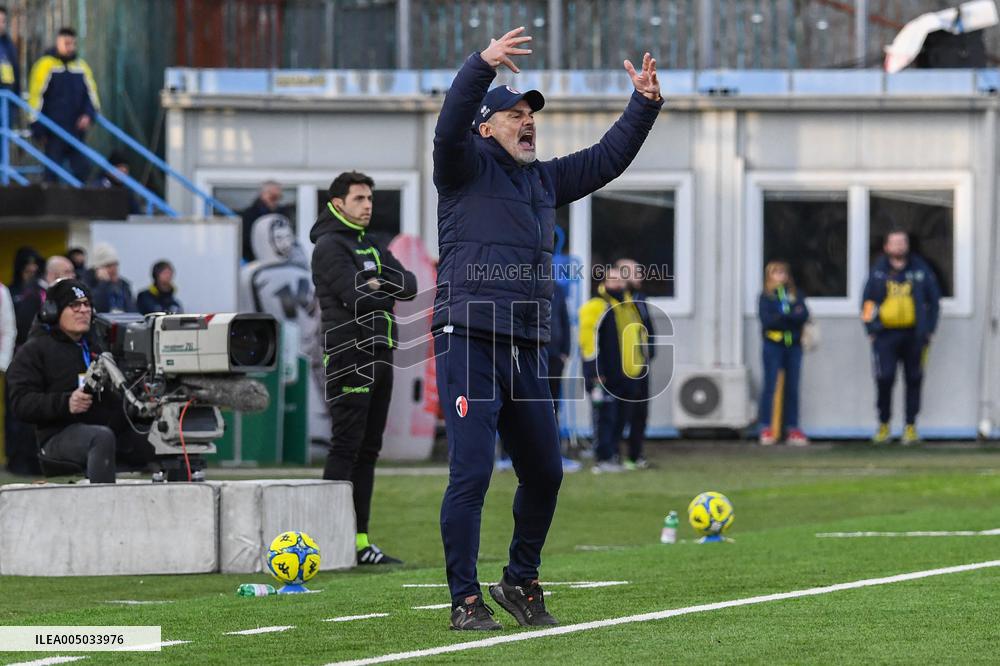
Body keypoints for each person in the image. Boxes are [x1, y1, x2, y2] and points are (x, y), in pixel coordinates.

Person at [432, 26, 662, 630]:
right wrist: (480, 65)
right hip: (469, 336)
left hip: (526, 344)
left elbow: (606, 159)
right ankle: (463, 600)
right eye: (513, 113)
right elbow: (448, 121)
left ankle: (519, 581)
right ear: (485, 126)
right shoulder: (459, 167)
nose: (527, 119)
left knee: (546, 471)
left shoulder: (543, 180)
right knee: (473, 472)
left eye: (531, 112)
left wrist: (644, 105)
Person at [310, 170, 417, 566]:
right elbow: (356, 297)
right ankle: (327, 541)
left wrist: (378, 283)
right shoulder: (328, 247)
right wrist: (375, 286)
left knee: (369, 451)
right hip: (348, 355)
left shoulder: (370, 244)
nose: (368, 205)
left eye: (370, 198)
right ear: (338, 204)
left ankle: (359, 541)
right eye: (359, 198)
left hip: (381, 351)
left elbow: (409, 284)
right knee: (346, 447)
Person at [6, 279, 152, 483]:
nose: (83, 310)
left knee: (159, 435)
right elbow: (20, 403)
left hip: (104, 428)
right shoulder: (34, 350)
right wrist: (66, 402)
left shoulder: (98, 347)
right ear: (53, 311)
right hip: (57, 436)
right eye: (74, 305)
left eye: (87, 305)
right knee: (100, 438)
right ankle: (100, 507)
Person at [862, 229, 941, 445]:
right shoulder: (879, 271)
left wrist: (929, 329)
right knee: (885, 378)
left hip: (914, 335)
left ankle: (910, 426)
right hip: (885, 335)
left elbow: (934, 301)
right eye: (894, 243)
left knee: (914, 378)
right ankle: (884, 425)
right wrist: (870, 329)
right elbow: (867, 302)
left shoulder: (920, 269)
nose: (899, 246)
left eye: (902, 242)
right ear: (887, 247)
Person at [579, 266, 651, 472]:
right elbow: (587, 339)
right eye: (612, 279)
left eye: (620, 279)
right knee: (605, 417)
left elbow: (640, 335)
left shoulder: (630, 306)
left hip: (629, 374)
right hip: (605, 375)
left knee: (623, 417)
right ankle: (603, 458)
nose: (617, 283)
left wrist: (642, 363)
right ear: (604, 282)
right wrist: (594, 370)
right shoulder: (597, 305)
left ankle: (614, 455)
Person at [28, 27, 99, 183]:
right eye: (66, 43)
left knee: (83, 170)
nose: (70, 47)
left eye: (72, 43)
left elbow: (92, 96)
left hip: (76, 131)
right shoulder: (45, 65)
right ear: (57, 42)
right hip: (53, 131)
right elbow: (35, 98)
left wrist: (88, 114)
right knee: (51, 174)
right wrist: (37, 126)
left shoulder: (81, 67)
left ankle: (78, 206)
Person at [757, 261, 809, 446]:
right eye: (776, 273)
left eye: (783, 273)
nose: (780, 277)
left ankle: (792, 427)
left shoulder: (795, 295)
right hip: (773, 345)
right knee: (770, 385)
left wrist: (786, 317)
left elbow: (803, 315)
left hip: (793, 345)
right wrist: (788, 317)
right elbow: (768, 321)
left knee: (792, 386)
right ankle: (766, 427)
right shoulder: (766, 297)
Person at [615, 258, 655, 468]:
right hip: (624, 366)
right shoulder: (619, 301)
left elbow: (648, 327)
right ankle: (614, 455)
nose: (640, 275)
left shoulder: (641, 299)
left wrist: (651, 351)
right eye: (635, 272)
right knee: (622, 411)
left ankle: (636, 455)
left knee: (641, 412)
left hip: (642, 364)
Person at [13, 255, 75, 346]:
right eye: (67, 272)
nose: (73, 276)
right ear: (52, 274)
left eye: (72, 272)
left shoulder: (62, 293)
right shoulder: (33, 295)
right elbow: (25, 328)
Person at [241, 181, 284, 263]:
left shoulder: (281, 214)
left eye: (279, 197)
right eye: (273, 197)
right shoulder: (249, 215)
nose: (276, 201)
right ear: (263, 194)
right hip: (254, 260)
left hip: (277, 261)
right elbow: (246, 239)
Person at [89, 243, 136, 314]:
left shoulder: (124, 285)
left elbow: (132, 311)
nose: (114, 269)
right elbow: (98, 308)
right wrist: (103, 283)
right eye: (109, 265)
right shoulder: (89, 284)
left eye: (115, 264)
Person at [95, 150, 142, 214]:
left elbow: (136, 213)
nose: (124, 171)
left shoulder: (128, 191)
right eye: (119, 167)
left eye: (126, 168)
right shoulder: (97, 187)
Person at [0, 6, 21, 111]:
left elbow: (16, 73)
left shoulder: (9, 46)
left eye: (3, 21)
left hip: (7, 100)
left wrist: (17, 96)